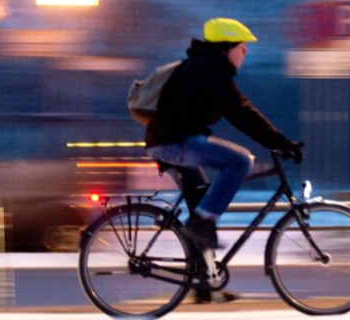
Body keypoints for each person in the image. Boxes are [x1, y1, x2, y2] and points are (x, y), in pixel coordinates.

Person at [144, 18, 302, 300]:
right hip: (174, 143)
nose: (246, 52)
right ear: (227, 46)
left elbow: (238, 111)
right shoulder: (210, 68)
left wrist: (275, 140)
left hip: (170, 141)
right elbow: (240, 111)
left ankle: (204, 285)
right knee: (241, 162)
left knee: (202, 206)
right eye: (242, 46)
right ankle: (202, 226)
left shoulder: (205, 67)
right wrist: (279, 142)